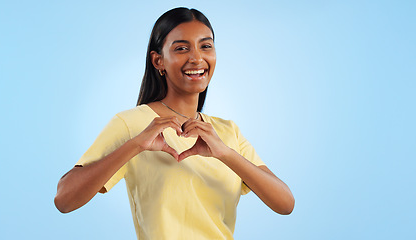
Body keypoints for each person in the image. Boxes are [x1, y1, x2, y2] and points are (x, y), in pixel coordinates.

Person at [54, 7, 294, 239]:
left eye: (206, 46)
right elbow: (65, 199)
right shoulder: (132, 123)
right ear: (158, 61)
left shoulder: (226, 131)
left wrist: (225, 154)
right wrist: (136, 145)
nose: (197, 58)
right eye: (181, 48)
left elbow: (285, 203)